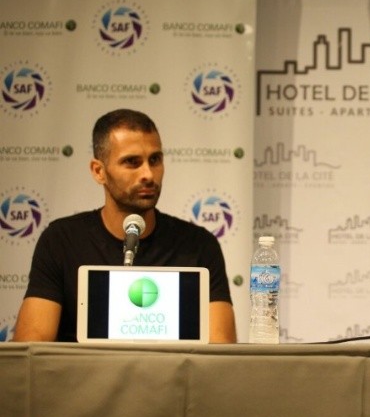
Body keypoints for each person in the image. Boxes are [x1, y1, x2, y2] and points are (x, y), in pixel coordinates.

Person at [12, 109, 237, 343]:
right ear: (99, 171)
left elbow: (220, 352)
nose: (148, 174)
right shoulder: (61, 240)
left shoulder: (198, 245)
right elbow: (32, 347)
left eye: (155, 160)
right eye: (132, 162)